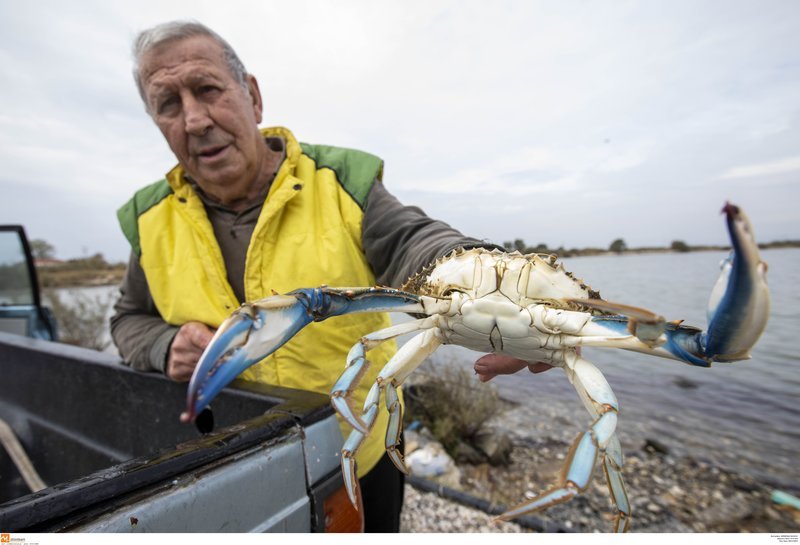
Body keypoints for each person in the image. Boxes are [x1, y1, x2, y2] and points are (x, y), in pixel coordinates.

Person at [111, 20, 548, 532]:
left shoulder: (340, 183)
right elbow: (126, 319)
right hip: (227, 457)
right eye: (168, 103)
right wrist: (164, 346)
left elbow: (417, 242)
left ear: (252, 97)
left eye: (207, 90)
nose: (195, 119)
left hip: (361, 449)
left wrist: (495, 284)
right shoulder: (149, 219)